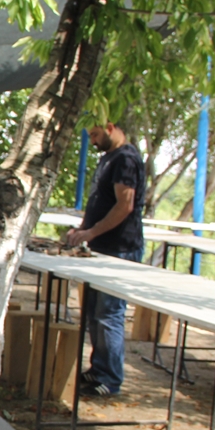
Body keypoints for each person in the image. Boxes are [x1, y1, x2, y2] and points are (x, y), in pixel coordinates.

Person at [65, 121, 146, 397]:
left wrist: (91, 232)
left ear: (111, 127)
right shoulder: (109, 158)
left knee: (109, 313)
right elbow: (101, 203)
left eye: (96, 135)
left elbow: (125, 205)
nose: (94, 141)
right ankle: (99, 369)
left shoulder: (126, 159)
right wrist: (82, 230)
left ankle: (110, 379)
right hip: (100, 246)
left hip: (120, 248)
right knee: (93, 311)